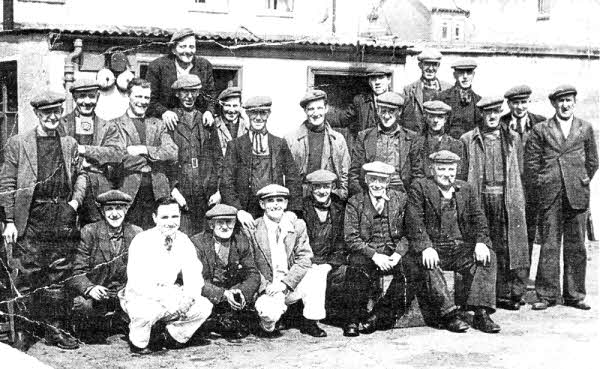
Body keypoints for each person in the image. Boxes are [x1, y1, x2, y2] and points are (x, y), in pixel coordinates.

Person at [0, 90, 86, 350]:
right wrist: (10, 221)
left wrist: (74, 203)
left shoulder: (69, 143)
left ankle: (55, 330)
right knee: (29, 274)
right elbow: (7, 183)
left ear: (61, 113)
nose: (52, 117)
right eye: (46, 112)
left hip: (62, 216)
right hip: (32, 216)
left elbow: (82, 174)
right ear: (37, 114)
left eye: (57, 112)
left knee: (58, 274)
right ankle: (26, 330)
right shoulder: (18, 143)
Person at [404, 150, 500, 333]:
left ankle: (481, 313)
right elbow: (414, 220)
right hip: (435, 247)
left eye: (451, 169)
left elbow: (479, 219)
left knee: (489, 256)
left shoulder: (466, 189)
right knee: (428, 264)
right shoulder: (420, 187)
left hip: (459, 248)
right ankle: (449, 314)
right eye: (441, 169)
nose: (446, 174)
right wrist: (425, 247)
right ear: (432, 169)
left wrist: (481, 242)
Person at [525, 85, 598, 311]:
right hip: (551, 194)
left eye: (568, 100)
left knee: (577, 246)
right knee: (549, 244)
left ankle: (575, 295)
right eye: (560, 101)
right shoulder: (541, 129)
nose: (565, 105)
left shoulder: (585, 128)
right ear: (554, 104)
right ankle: (547, 295)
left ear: (574, 102)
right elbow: (531, 164)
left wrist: (583, 179)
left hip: (576, 193)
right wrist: (544, 182)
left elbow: (593, 161)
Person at [119, 197, 213, 354]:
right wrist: (171, 302)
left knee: (203, 306)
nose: (170, 222)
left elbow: (194, 274)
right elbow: (138, 283)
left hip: (171, 292)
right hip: (144, 295)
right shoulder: (141, 240)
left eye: (175, 217)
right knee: (144, 314)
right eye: (164, 217)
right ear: (155, 218)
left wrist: (188, 299)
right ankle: (139, 342)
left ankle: (170, 336)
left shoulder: (183, 240)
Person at [461, 96, 529, 310]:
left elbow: (519, 169)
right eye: (487, 112)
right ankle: (481, 297)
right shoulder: (468, 139)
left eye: (496, 112)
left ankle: (506, 295)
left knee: (506, 246)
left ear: (500, 112)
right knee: (482, 245)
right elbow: (463, 174)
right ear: (481, 114)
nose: (492, 116)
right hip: (480, 198)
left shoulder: (512, 138)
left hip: (506, 197)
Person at [343, 162, 412, 336]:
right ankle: (352, 318)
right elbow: (351, 238)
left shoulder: (401, 199)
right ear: (366, 180)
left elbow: (410, 232)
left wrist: (397, 254)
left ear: (388, 182)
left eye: (381, 180)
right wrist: (374, 256)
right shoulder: (355, 202)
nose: (377, 185)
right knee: (356, 266)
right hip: (367, 252)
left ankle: (377, 316)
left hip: (392, 251)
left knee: (412, 269)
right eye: (373, 179)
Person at [251, 184, 328, 338]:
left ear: (286, 204)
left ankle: (310, 321)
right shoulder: (253, 228)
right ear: (262, 205)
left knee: (317, 271)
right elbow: (250, 265)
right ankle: (270, 322)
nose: (275, 205)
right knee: (269, 314)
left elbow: (304, 259)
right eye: (270, 201)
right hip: (269, 286)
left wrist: (286, 283)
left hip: (289, 284)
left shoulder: (297, 225)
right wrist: (266, 286)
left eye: (279, 200)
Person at [67, 190, 142, 343]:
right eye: (109, 209)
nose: (114, 214)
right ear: (102, 211)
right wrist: (90, 288)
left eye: (119, 208)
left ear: (126, 210)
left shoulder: (136, 233)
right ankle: (102, 326)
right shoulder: (90, 232)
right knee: (82, 304)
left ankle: (117, 323)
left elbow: (144, 270)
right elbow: (76, 272)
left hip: (125, 295)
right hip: (99, 295)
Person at [220, 96, 302, 232]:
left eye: (263, 113)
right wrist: (239, 211)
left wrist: (291, 211)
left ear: (268, 114)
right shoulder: (235, 145)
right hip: (246, 214)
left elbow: (294, 179)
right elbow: (226, 183)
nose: (258, 118)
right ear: (247, 114)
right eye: (254, 113)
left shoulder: (279, 144)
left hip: (274, 211)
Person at [112, 78, 178, 229]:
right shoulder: (115, 125)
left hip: (158, 192)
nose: (143, 101)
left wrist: (144, 150)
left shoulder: (158, 124)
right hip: (129, 191)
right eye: (138, 96)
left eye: (146, 97)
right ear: (128, 96)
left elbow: (172, 153)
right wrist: (157, 159)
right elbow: (120, 159)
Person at [190, 204, 260, 339]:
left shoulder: (240, 240)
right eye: (219, 223)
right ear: (211, 225)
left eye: (229, 222)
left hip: (232, 294)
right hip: (209, 295)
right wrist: (222, 294)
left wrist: (242, 292)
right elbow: (195, 280)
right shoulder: (197, 243)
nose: (225, 226)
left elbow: (253, 274)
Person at [61, 78, 124, 225]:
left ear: (98, 97)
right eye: (82, 96)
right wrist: (84, 164)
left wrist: (84, 149)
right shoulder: (61, 125)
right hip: (69, 188)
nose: (87, 101)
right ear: (74, 97)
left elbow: (116, 153)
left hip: (98, 189)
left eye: (91, 96)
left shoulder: (108, 127)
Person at [167, 74, 219, 235]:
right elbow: (164, 161)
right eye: (184, 92)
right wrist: (173, 189)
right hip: (181, 188)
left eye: (194, 92)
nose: (189, 97)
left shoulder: (206, 120)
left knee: (205, 236)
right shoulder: (171, 120)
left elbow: (218, 159)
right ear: (177, 94)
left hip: (206, 190)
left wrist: (218, 190)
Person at [500, 85, 546, 256]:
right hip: (509, 185)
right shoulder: (501, 123)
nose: (520, 107)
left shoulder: (541, 123)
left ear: (529, 102)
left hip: (532, 186)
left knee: (530, 229)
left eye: (523, 102)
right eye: (515, 103)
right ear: (509, 104)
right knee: (508, 229)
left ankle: (522, 275)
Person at [349, 91, 423, 196]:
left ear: (400, 111)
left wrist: (410, 201)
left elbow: (418, 175)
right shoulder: (364, 137)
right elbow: (353, 175)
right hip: (370, 194)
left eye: (391, 111)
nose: (386, 116)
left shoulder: (411, 138)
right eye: (383, 111)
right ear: (377, 111)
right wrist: (364, 199)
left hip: (402, 196)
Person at [301, 169, 347, 333]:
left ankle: (336, 315)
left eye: (326, 187)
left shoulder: (339, 208)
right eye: (317, 187)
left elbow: (342, 241)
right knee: (314, 275)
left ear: (332, 187)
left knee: (345, 273)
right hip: (307, 260)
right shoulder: (302, 208)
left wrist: (330, 263)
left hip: (330, 260)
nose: (322, 191)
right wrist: (310, 262)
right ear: (311, 188)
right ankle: (310, 322)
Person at [286, 90, 351, 201]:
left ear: (326, 109)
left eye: (319, 108)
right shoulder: (291, 139)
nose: (316, 113)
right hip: (301, 197)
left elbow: (345, 172)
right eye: (311, 109)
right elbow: (287, 175)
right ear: (305, 111)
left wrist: (341, 196)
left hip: (330, 195)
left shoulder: (337, 139)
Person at [146, 28, 216, 128]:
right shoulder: (157, 66)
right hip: (166, 123)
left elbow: (211, 95)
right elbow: (150, 99)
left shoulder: (204, 66)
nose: (188, 51)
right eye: (182, 47)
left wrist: (209, 112)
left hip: (196, 123)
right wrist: (164, 112)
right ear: (173, 49)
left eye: (191, 47)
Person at [328, 66, 393, 139]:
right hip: (366, 146)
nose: (377, 82)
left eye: (381, 78)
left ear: (389, 79)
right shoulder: (360, 101)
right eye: (373, 78)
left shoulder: (398, 102)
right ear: (369, 82)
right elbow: (342, 119)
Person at [212, 87, 250, 206]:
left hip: (243, 190)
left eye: (235, 106)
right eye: (228, 106)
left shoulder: (248, 127)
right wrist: (219, 191)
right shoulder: (213, 126)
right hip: (219, 189)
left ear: (240, 106)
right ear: (221, 106)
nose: (232, 110)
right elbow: (214, 164)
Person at [400, 48, 452, 132]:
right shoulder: (409, 90)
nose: (430, 68)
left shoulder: (448, 88)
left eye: (434, 64)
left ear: (438, 66)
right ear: (420, 65)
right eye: (427, 64)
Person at [413, 100, 464, 177]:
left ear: (445, 120)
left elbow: (457, 174)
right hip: (424, 186)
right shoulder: (418, 143)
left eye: (440, 117)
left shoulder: (456, 145)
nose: (435, 120)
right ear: (426, 118)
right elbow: (417, 173)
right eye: (431, 116)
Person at [437, 59, 482, 139]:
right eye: (461, 72)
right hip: (448, 146)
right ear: (455, 75)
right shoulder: (442, 98)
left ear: (473, 75)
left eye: (469, 72)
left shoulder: (479, 101)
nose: (465, 77)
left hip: (470, 146)